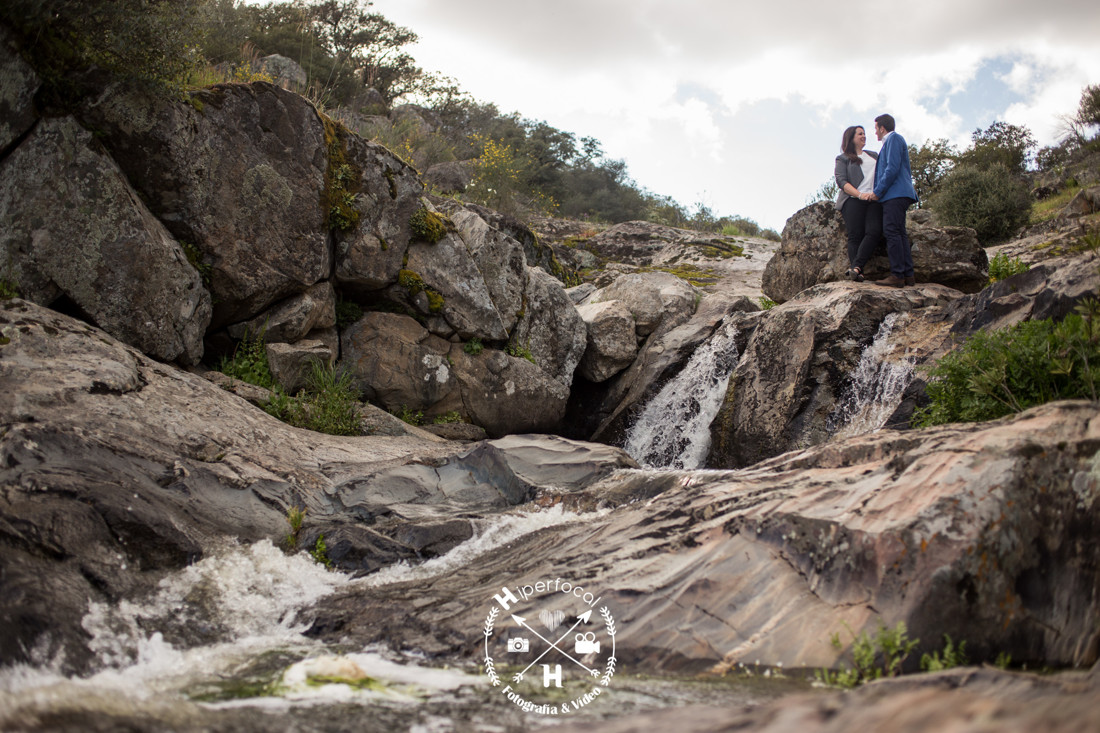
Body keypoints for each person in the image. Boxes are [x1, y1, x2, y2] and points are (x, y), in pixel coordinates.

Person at [870, 113, 918, 287]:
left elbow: (892, 168)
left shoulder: (894, 139)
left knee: (891, 231)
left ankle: (897, 274)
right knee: (899, 232)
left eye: (876, 128)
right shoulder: (890, 142)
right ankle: (908, 275)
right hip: (898, 194)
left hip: (895, 194)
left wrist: (878, 191)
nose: (875, 132)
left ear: (882, 128)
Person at [834, 125, 882, 282]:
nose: (864, 136)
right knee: (855, 235)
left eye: (865, 134)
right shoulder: (843, 158)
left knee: (874, 231)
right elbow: (841, 181)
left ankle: (855, 267)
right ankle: (857, 271)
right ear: (851, 138)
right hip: (853, 199)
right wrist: (860, 195)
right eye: (860, 134)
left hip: (874, 199)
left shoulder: (874, 155)